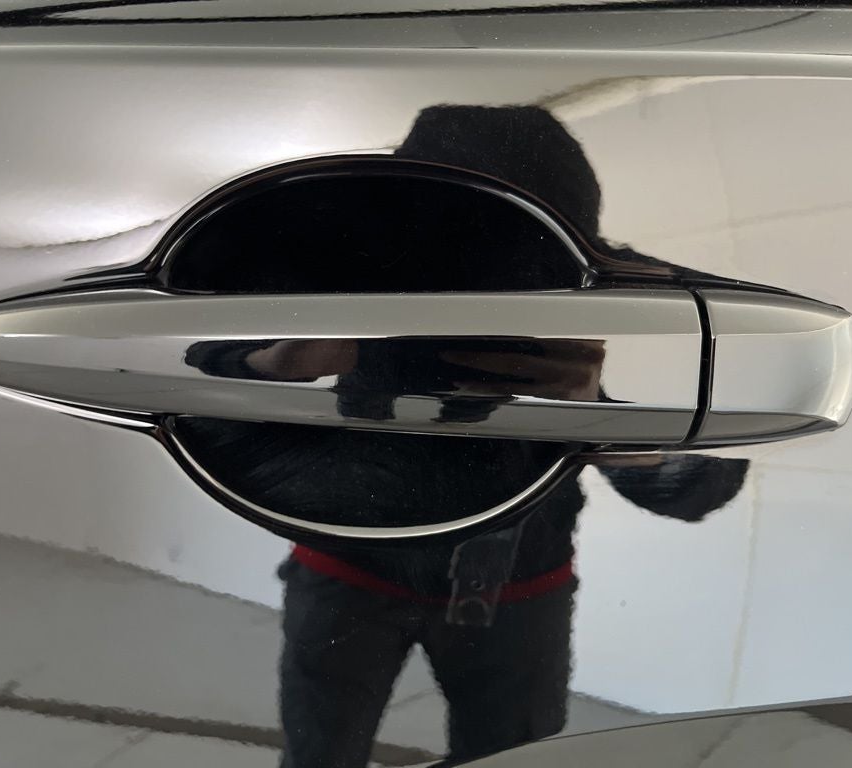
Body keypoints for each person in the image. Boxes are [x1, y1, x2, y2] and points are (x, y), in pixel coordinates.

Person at [181, 105, 749, 767]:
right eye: (434, 272)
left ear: (572, 288)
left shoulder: (577, 374)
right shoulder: (340, 298)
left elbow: (701, 488)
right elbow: (195, 373)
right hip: (363, 565)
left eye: (513, 281)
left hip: (498, 584)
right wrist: (274, 362)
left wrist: (590, 413)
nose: (470, 307)